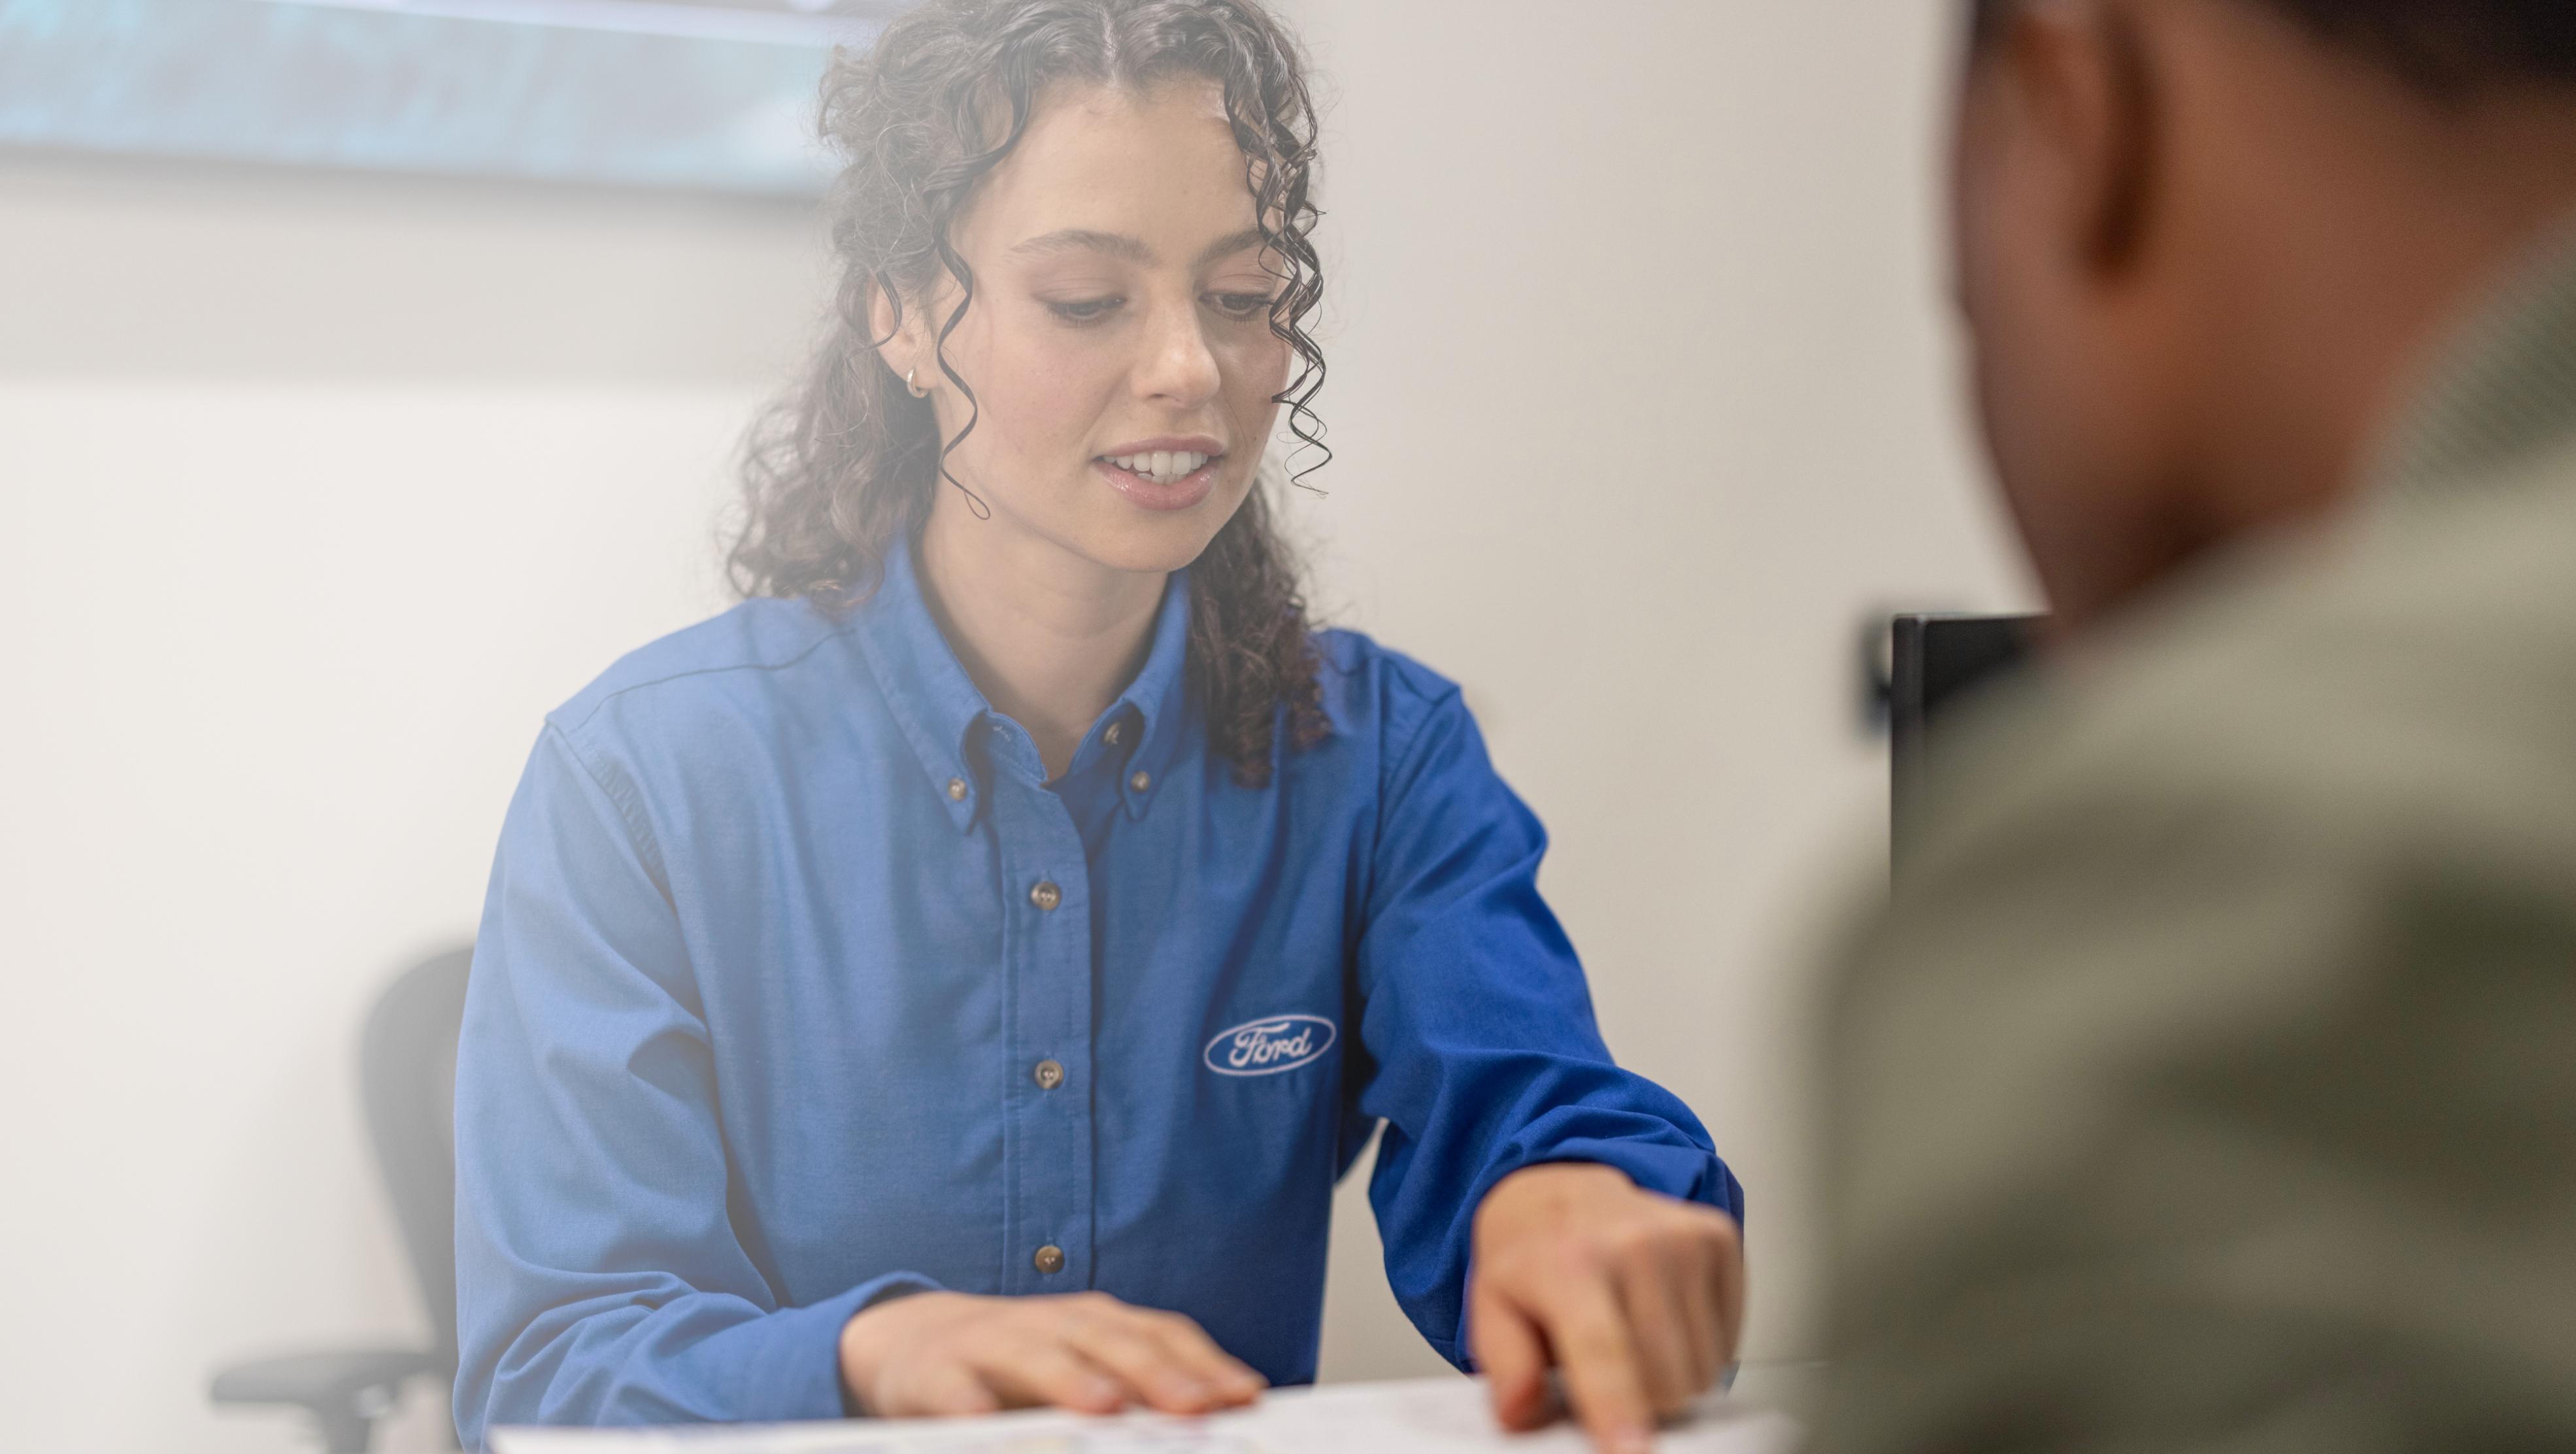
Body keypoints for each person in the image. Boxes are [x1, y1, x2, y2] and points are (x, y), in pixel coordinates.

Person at [451, 3, 1746, 1451]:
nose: (1190, 369)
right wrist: (879, 1350)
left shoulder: (1381, 755)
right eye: (1086, 300)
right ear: (898, 310)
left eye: (1247, 296)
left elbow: (1535, 1107)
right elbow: (554, 1360)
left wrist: (1569, 1201)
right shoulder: (642, 779)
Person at [1818, 1, 2576, 1450]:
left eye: (1967, 315)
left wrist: (1573, 1174)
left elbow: (1526, 1075)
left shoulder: (2215, 861)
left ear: (2071, 110)